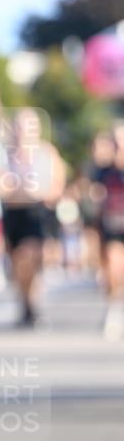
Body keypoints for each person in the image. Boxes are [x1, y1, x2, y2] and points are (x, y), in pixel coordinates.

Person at [1, 108, 66, 326]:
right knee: (18, 265)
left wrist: (41, 193)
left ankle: (32, 303)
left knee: (28, 256)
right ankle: (27, 303)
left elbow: (58, 184)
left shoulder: (46, 153)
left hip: (36, 213)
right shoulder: (5, 155)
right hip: (13, 214)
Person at [91, 121, 124, 340]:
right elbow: (94, 196)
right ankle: (113, 309)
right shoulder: (103, 171)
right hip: (111, 226)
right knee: (113, 266)